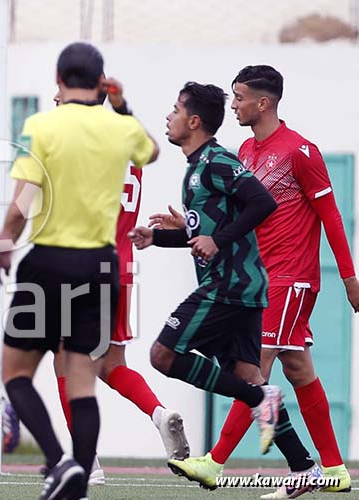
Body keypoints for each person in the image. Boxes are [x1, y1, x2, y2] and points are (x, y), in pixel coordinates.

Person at [166, 65, 358, 497]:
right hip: (260, 280)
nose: (233, 105)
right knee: (298, 369)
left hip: (292, 279)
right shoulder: (245, 153)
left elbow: (331, 217)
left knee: (255, 370)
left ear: (263, 102)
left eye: (239, 97)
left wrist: (349, 278)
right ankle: (333, 469)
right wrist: (191, 227)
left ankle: (214, 463)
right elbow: (235, 219)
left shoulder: (300, 152)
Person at [0, 42, 159, 500]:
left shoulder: (41, 125)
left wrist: (3, 248)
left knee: (16, 372)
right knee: (84, 380)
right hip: (102, 265)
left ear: (60, 79)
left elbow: (23, 199)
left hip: (49, 260)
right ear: (102, 83)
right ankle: (79, 477)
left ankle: (57, 460)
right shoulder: (120, 128)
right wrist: (122, 106)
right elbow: (152, 153)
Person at [128, 81, 283, 487]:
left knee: (162, 355)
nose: (169, 115)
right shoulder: (196, 168)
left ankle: (258, 400)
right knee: (249, 375)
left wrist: (219, 239)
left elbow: (263, 202)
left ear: (194, 121)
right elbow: (205, 234)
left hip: (228, 287)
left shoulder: (214, 161)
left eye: (176, 109)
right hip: (238, 288)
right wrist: (157, 238)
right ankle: (306, 466)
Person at [50, 83, 189, 487]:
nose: (56, 102)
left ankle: (85, 460)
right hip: (122, 267)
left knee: (65, 362)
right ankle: (159, 414)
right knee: (112, 364)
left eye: (60, 96)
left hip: (83, 265)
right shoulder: (129, 146)